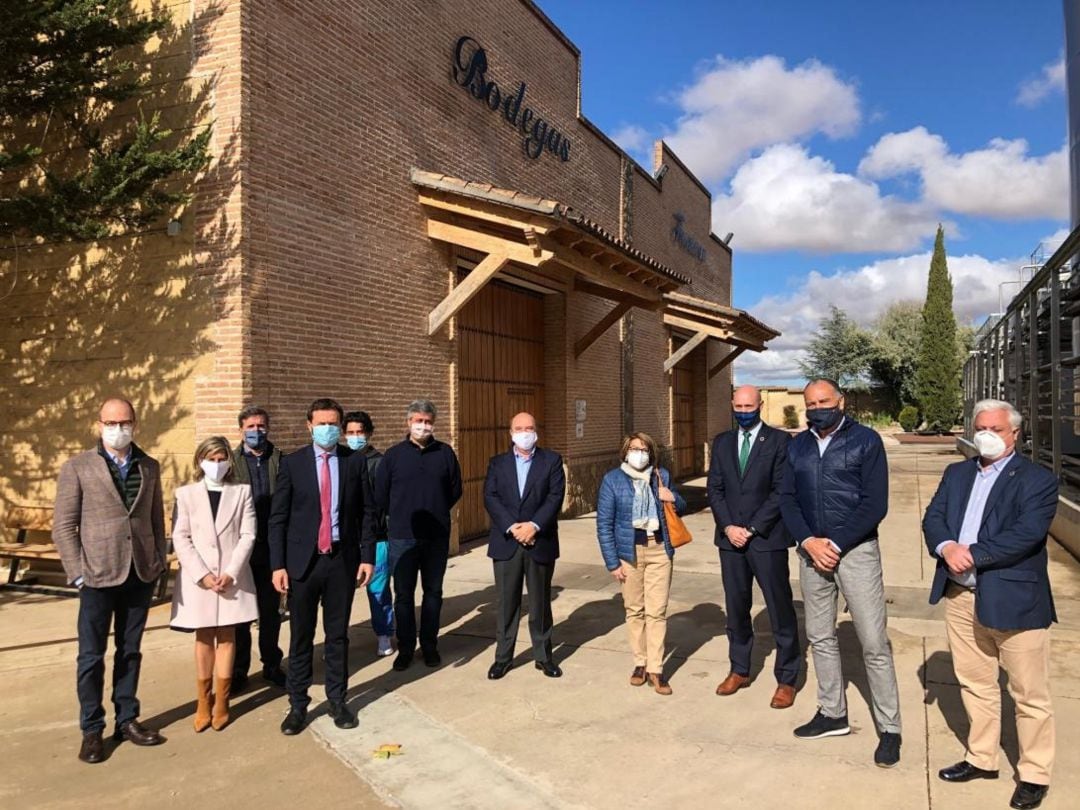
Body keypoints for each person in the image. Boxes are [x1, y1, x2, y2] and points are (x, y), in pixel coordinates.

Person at [923, 399, 1058, 810]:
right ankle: (982, 758)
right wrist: (946, 547)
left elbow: (1027, 534)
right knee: (975, 682)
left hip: (1014, 599)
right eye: (981, 427)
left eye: (997, 428)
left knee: (1028, 693)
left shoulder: (1037, 479)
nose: (987, 435)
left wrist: (973, 554)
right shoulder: (957, 472)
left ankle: (1034, 772)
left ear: (1015, 432)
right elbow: (934, 518)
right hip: (960, 595)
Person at [779, 378, 901, 768]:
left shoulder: (865, 441)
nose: (817, 408)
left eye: (824, 401)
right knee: (820, 635)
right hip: (811, 550)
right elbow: (787, 498)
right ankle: (833, 713)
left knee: (873, 642)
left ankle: (890, 728)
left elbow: (874, 503)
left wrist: (836, 543)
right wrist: (808, 541)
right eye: (811, 403)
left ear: (841, 401)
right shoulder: (796, 445)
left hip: (855, 551)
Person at [53, 397, 167, 763]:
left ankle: (127, 719)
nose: (119, 429)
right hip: (97, 576)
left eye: (126, 422)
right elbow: (63, 526)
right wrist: (78, 573)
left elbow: (154, 518)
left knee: (130, 651)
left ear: (135, 423)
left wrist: (158, 562)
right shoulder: (78, 467)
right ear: (99, 424)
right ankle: (91, 729)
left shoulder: (148, 466)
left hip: (139, 573)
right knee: (91, 657)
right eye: (112, 422)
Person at [269, 398, 376, 735]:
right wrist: (278, 565)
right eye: (322, 423)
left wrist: (367, 556)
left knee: (337, 636)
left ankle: (338, 700)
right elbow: (279, 518)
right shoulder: (293, 464)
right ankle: (297, 705)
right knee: (301, 636)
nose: (328, 429)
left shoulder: (353, 462)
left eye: (334, 423)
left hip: (341, 563)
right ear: (309, 425)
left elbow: (368, 513)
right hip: (303, 564)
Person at [708, 385, 799, 708]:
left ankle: (787, 678)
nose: (744, 411)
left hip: (766, 539)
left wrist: (752, 528)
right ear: (731, 404)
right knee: (736, 608)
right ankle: (740, 668)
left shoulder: (778, 442)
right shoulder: (722, 443)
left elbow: (780, 491)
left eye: (750, 405)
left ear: (760, 405)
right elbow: (715, 488)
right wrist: (729, 527)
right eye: (739, 405)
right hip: (730, 541)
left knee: (779, 608)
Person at [170, 436, 259, 732]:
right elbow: (180, 537)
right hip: (201, 580)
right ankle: (202, 700)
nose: (216, 464)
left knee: (228, 636)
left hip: (231, 577)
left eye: (222, 458)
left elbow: (248, 535)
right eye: (211, 458)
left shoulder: (241, 492)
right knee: (204, 637)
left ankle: (222, 700)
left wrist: (232, 571)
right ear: (200, 461)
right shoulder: (186, 494)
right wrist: (201, 574)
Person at [374, 399, 462, 671]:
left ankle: (430, 644)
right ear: (408, 422)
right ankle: (406, 647)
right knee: (403, 594)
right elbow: (381, 495)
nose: (423, 426)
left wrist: (435, 510)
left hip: (436, 537)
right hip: (402, 537)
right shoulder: (393, 456)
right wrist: (402, 514)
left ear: (433, 423)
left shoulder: (445, 453)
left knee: (433, 592)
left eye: (427, 421)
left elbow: (454, 490)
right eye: (418, 421)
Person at [596, 432, 686, 695]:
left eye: (644, 449)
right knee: (635, 609)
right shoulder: (612, 480)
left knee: (656, 611)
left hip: (659, 550)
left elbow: (679, 506)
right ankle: (640, 663)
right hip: (629, 552)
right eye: (634, 448)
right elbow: (604, 524)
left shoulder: (662, 476)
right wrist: (612, 562)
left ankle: (656, 669)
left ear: (651, 452)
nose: (639, 453)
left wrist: (671, 497)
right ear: (625, 452)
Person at [483, 412, 566, 680]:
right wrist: (513, 527)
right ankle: (503, 658)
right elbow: (491, 497)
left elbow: (555, 497)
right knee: (507, 603)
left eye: (529, 427)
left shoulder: (551, 460)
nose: (524, 432)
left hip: (539, 541)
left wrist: (534, 526)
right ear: (511, 432)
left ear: (536, 431)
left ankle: (544, 657)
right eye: (519, 428)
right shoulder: (497, 463)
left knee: (540, 603)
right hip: (507, 541)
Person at [230, 406, 287, 689]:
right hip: (241, 549)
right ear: (241, 429)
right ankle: (240, 670)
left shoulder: (280, 459)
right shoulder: (230, 461)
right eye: (251, 426)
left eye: (261, 426)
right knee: (241, 614)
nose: (256, 431)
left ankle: (272, 663)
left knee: (270, 612)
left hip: (271, 547)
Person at [344, 410, 394, 657]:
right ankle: (337, 639)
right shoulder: (339, 461)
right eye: (350, 433)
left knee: (378, 589)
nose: (355, 437)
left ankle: (384, 634)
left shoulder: (379, 462)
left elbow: (386, 503)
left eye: (359, 432)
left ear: (369, 433)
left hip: (376, 539)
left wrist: (381, 529)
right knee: (338, 595)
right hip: (344, 540)